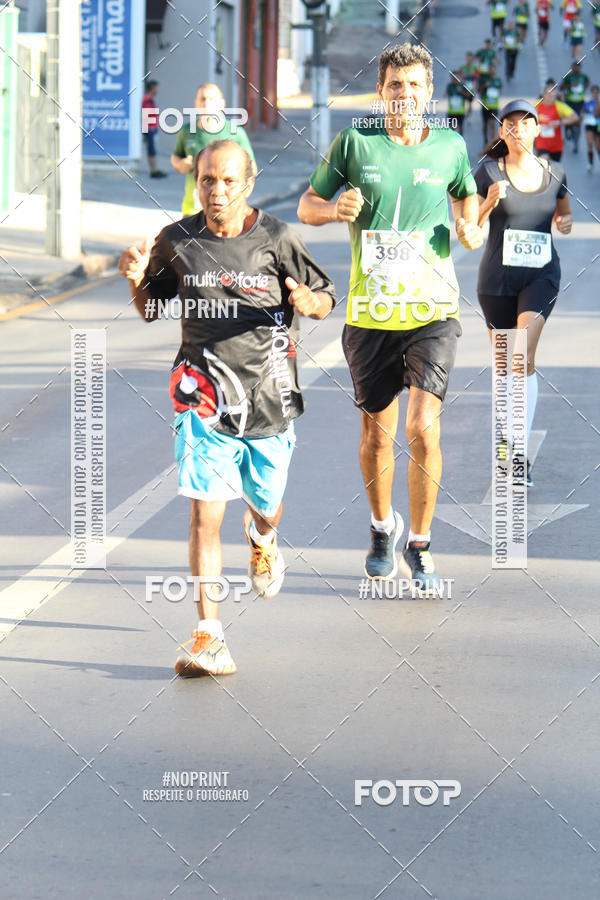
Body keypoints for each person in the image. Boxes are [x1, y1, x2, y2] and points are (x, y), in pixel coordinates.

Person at [118, 140, 336, 676]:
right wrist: (135, 279)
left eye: (227, 181)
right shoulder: (178, 240)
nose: (216, 192)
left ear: (250, 182)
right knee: (203, 513)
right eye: (207, 181)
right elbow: (152, 309)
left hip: (268, 400)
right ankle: (209, 634)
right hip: (201, 399)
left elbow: (324, 294)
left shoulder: (278, 238)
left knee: (267, 503)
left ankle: (263, 539)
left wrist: (311, 303)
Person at [297, 43, 483, 592]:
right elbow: (308, 204)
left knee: (422, 426)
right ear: (381, 92)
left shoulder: (450, 144)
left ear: (430, 93)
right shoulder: (356, 143)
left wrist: (471, 227)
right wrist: (333, 211)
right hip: (372, 313)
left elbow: (466, 201)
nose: (405, 95)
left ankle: (420, 544)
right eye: (395, 86)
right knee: (377, 437)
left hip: (433, 311)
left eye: (415, 86)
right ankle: (382, 529)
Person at [474, 100, 573, 487]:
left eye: (525, 123)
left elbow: (563, 215)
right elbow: (469, 223)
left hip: (541, 277)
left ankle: (516, 454)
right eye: (509, 124)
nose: (517, 129)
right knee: (505, 367)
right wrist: (487, 204)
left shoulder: (556, 172)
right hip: (497, 279)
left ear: (536, 130)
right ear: (502, 132)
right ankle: (506, 446)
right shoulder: (486, 173)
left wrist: (564, 222)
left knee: (520, 357)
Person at [170, 83, 255, 216]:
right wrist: (181, 165)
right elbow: (176, 157)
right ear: (196, 103)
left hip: (226, 211)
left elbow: (252, 168)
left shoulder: (235, 133)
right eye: (203, 99)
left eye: (211, 99)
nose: (206, 103)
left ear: (221, 104)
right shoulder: (187, 131)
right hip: (193, 210)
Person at [535, 79, 578, 161]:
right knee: (544, 162)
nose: (551, 98)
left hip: (556, 146)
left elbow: (575, 117)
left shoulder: (559, 106)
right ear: (543, 95)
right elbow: (526, 115)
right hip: (541, 144)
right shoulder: (537, 105)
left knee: (554, 169)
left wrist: (559, 122)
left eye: (553, 96)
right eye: (549, 95)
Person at [561, 62, 589, 151]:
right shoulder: (568, 77)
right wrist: (570, 86)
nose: (576, 69)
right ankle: (567, 131)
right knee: (569, 120)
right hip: (569, 102)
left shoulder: (583, 76)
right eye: (574, 67)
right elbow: (561, 87)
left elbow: (587, 82)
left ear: (580, 68)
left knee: (578, 122)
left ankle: (576, 143)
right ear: (572, 67)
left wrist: (584, 89)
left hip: (579, 102)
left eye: (578, 67)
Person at [141, 81, 167, 178]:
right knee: (151, 150)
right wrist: (148, 129)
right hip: (150, 128)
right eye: (156, 88)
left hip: (152, 128)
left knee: (153, 150)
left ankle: (155, 169)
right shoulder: (148, 99)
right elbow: (146, 114)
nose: (158, 90)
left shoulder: (150, 99)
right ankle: (154, 171)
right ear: (152, 88)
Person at [479, 62, 503, 144]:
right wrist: (484, 86)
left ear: (495, 70)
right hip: (485, 105)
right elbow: (479, 91)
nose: (492, 71)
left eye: (493, 69)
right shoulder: (484, 80)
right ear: (488, 70)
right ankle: (485, 139)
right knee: (485, 124)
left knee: (493, 124)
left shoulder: (498, 80)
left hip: (494, 106)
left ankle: (492, 142)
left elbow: (500, 90)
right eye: (490, 69)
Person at [582, 84, 600, 170]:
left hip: (597, 126)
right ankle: (590, 163)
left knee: (598, 146)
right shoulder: (587, 103)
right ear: (591, 93)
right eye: (594, 92)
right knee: (590, 143)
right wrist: (582, 116)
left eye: (597, 92)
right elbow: (583, 111)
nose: (595, 94)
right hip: (589, 125)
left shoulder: (599, 103)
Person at [462, 52, 480, 118]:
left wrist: (476, 88)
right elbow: (459, 76)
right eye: (467, 58)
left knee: (469, 102)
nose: (468, 59)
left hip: (471, 87)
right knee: (463, 101)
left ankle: (469, 115)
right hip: (464, 87)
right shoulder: (462, 67)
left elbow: (478, 77)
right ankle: (463, 113)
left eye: (470, 58)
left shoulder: (475, 68)